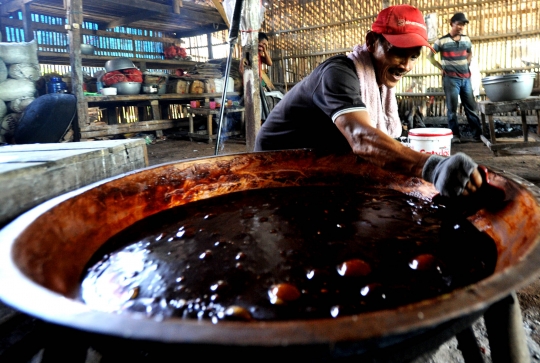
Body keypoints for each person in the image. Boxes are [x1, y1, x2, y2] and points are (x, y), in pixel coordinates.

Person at [254, 4, 483, 198]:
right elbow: (362, 138)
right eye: (398, 51)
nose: (405, 65)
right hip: (275, 163)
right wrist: (431, 166)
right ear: (372, 41)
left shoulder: (379, 81)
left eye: (413, 56)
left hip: (318, 158)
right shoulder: (339, 73)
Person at [428, 12, 483, 144]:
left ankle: (477, 135)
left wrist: (467, 62)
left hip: (466, 79)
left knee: (471, 107)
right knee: (452, 109)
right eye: (458, 24)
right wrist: (441, 68)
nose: (461, 27)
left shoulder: (466, 40)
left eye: (463, 25)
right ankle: (455, 135)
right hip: (450, 79)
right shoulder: (441, 41)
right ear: (452, 24)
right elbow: (430, 57)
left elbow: (469, 52)